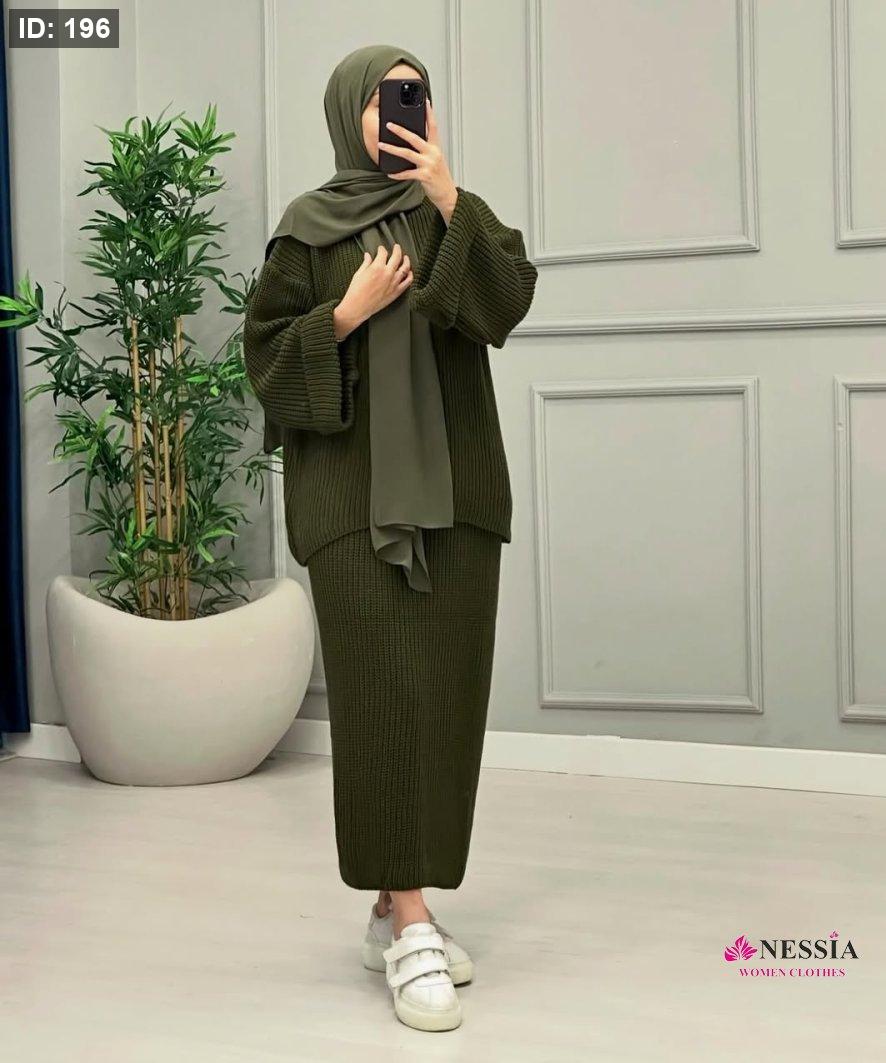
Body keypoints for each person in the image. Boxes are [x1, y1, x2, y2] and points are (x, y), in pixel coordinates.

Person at [243, 43, 538, 1032]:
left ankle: (392, 906)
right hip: (353, 504)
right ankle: (412, 921)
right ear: (347, 113)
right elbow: (265, 365)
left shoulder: (455, 212)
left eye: (412, 96)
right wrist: (344, 314)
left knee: (442, 705)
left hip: (458, 500)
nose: (398, 111)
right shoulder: (304, 232)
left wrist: (449, 197)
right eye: (380, 98)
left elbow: (506, 302)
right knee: (380, 702)